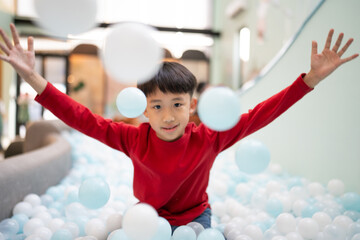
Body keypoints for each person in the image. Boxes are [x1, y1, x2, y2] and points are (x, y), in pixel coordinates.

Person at [0, 24, 358, 231]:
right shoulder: (132, 137)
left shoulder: (209, 137)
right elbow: (81, 118)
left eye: (177, 105)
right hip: (146, 217)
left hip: (195, 218)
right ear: (145, 109)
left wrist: (308, 80)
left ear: (192, 106)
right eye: (157, 106)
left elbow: (261, 113)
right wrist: (32, 76)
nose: (168, 116)